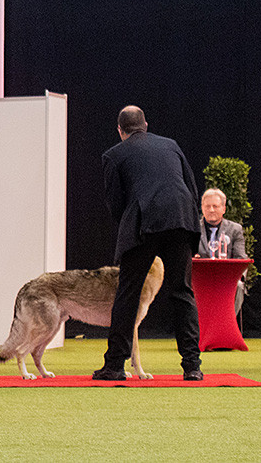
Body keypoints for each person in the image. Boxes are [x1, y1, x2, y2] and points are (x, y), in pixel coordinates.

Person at [95, 105, 203, 381]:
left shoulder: (114, 155)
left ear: (120, 130)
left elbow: (115, 204)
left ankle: (114, 366)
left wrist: (130, 227)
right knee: (182, 291)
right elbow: (191, 187)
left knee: (128, 293)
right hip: (180, 219)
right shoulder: (171, 145)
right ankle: (192, 367)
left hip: (143, 224)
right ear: (146, 125)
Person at [196, 187, 248, 314]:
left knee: (239, 285)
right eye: (207, 206)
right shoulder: (194, 228)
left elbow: (241, 258)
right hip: (200, 278)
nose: (211, 210)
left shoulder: (235, 229)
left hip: (226, 279)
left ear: (223, 209)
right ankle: (198, 323)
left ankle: (227, 319)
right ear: (202, 208)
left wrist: (236, 277)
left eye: (215, 206)